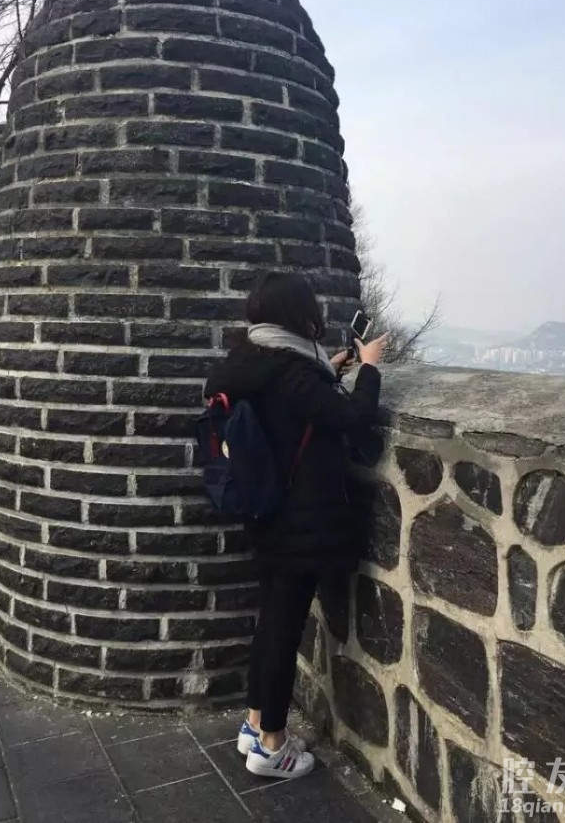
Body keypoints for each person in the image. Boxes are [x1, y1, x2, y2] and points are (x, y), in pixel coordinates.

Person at [204, 272, 386, 780]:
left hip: (263, 511)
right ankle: (272, 745)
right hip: (299, 520)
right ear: (299, 314)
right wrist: (369, 367)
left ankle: (254, 722)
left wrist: (328, 367)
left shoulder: (251, 359)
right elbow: (353, 417)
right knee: (284, 629)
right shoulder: (293, 373)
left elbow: (292, 406)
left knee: (271, 620)